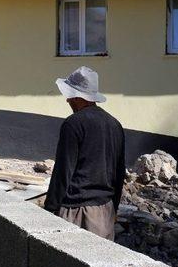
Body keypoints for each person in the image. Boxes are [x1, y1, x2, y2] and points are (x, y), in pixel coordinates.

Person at [44, 66, 125, 241]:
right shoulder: (115, 125)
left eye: (70, 96)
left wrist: (50, 209)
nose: (68, 101)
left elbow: (63, 171)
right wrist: (114, 209)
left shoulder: (73, 124)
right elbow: (119, 173)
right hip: (105, 211)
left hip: (76, 211)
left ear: (79, 97)